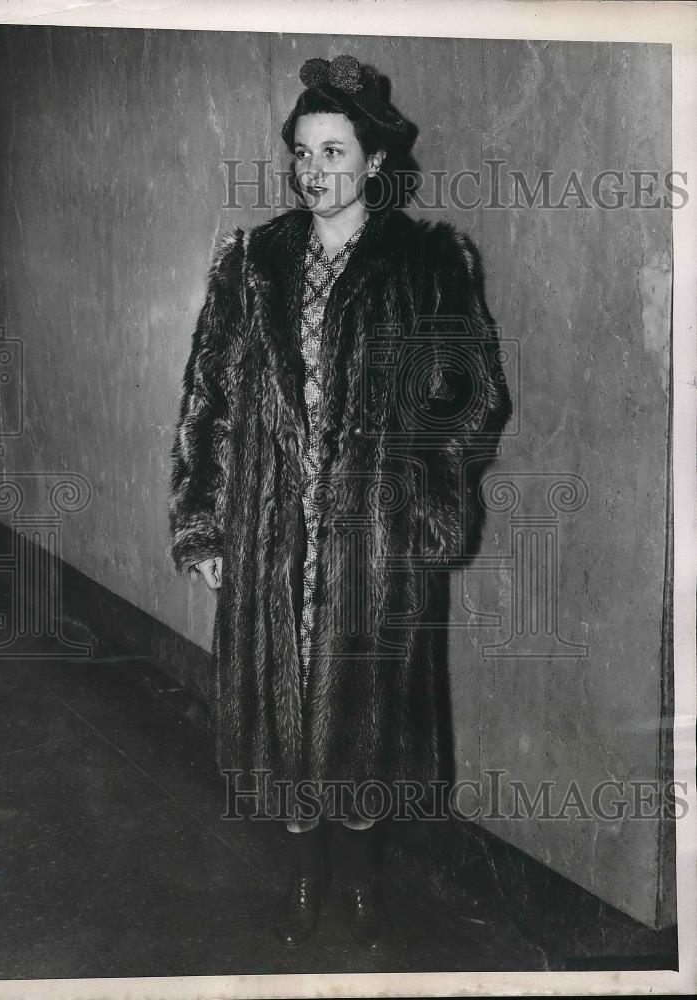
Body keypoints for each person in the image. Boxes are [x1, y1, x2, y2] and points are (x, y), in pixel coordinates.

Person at [168, 54, 512, 953]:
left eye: (333, 151)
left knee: (367, 718)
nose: (314, 170)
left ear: (372, 163)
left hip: (373, 537)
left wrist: (423, 502)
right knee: (283, 716)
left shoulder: (425, 262)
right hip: (271, 529)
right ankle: (303, 878)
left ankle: (358, 886)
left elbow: (469, 396)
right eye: (301, 152)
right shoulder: (254, 263)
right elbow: (207, 396)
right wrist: (205, 523)